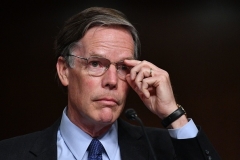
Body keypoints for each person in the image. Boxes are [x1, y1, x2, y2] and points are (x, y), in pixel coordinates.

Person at [0, 7, 220, 160]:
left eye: (123, 67)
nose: (112, 81)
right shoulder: (9, 154)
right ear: (64, 70)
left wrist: (173, 115)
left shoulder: (166, 149)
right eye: (96, 63)